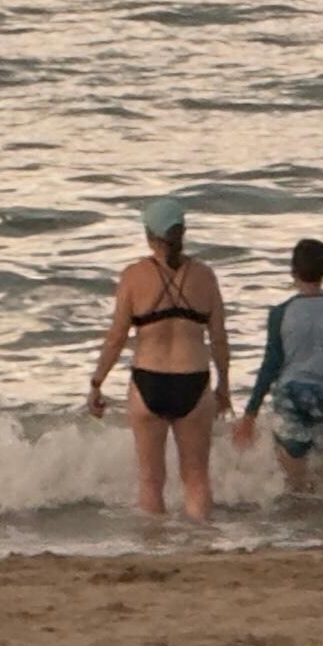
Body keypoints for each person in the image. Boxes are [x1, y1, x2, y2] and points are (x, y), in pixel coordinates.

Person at [85, 196, 229, 520]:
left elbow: (116, 338)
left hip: (149, 380)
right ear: (183, 232)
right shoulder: (205, 277)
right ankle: (200, 543)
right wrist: (224, 387)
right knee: (196, 478)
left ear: (149, 236)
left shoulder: (134, 276)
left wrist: (97, 383)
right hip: (193, 379)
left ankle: (155, 549)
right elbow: (219, 339)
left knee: (151, 480)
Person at [229, 235, 323, 491]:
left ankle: (296, 526)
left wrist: (250, 414)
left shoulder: (281, 314)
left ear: (293, 271)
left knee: (293, 481)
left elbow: (270, 365)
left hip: (291, 398)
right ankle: (321, 525)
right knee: (320, 477)